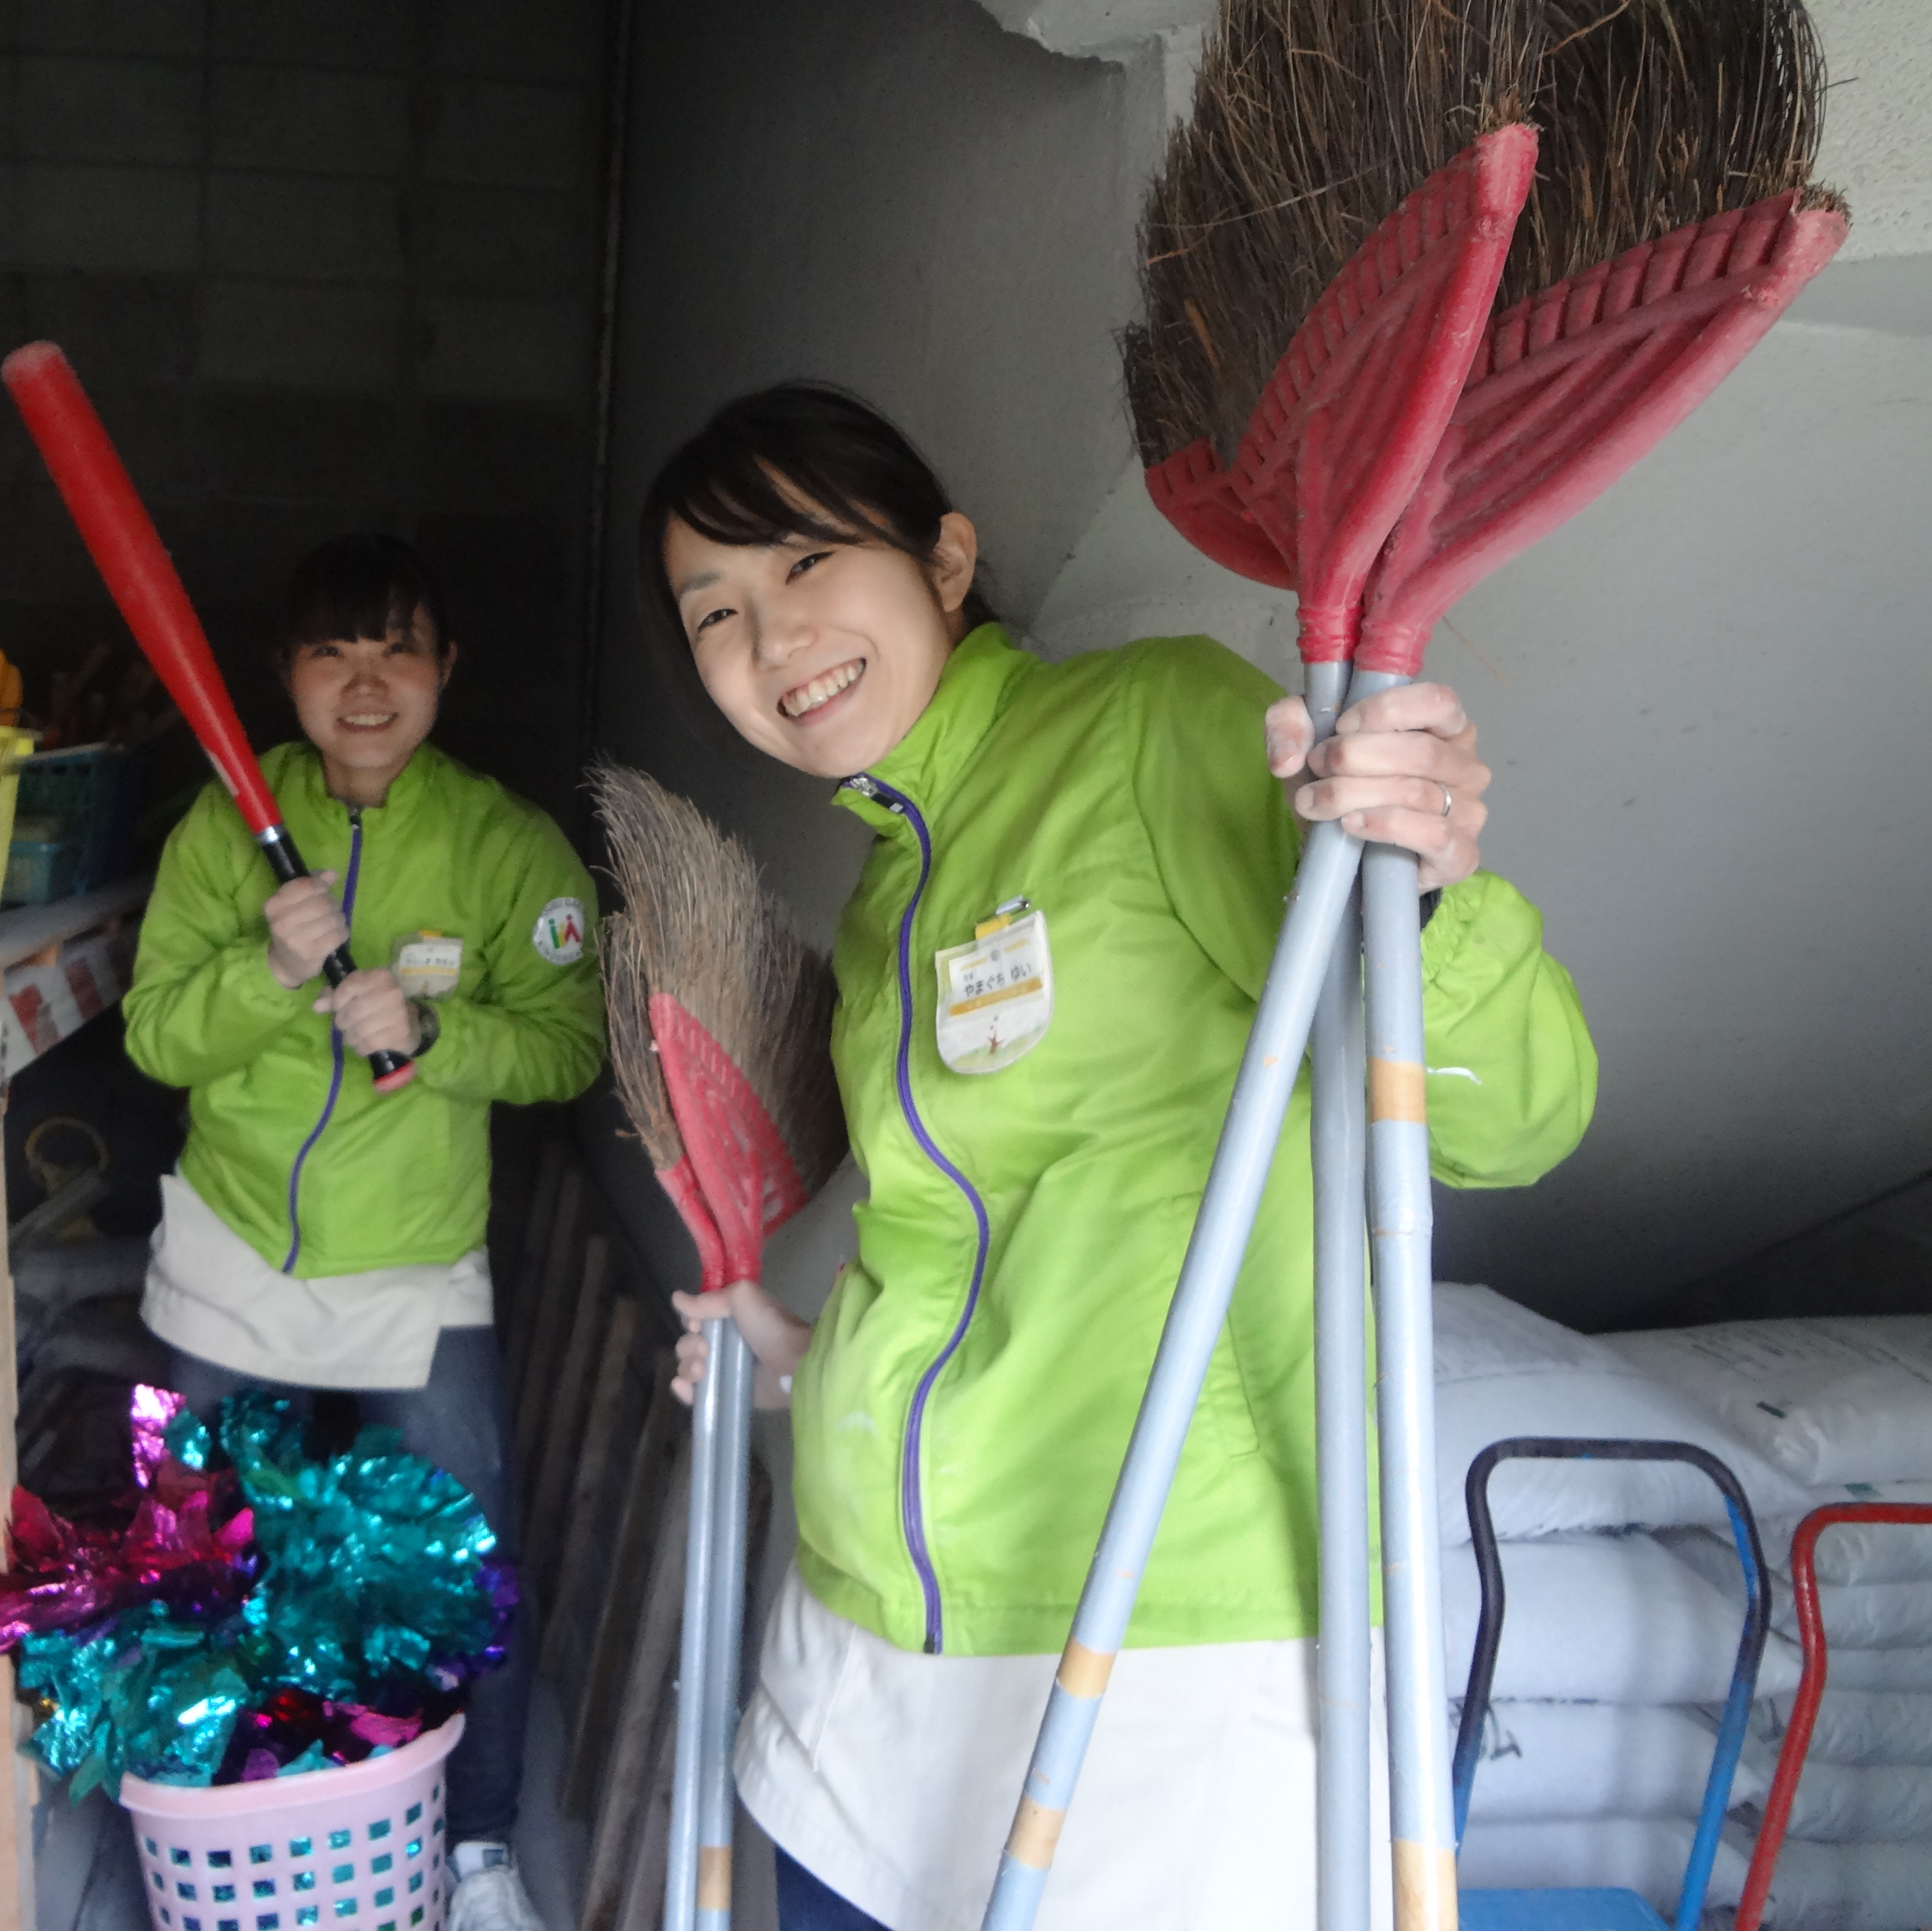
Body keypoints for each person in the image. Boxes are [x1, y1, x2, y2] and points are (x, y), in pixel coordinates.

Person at [642, 386, 1597, 1931]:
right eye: (715, 611)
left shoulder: (1151, 724)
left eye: (808, 559)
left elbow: (1518, 1119)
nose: (774, 635)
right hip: (862, 1639)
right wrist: (805, 1357)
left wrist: (1423, 895)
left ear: (947, 560)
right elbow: (983, 1257)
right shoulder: (883, 899)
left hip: (1158, 1639)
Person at [125, 531, 605, 1931]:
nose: (367, 684)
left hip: (415, 1265)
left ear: (447, 666)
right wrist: (271, 971)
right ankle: (214, 1822)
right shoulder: (221, 826)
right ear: (287, 674)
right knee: (197, 1554)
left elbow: (570, 1047)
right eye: (333, 652)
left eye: (398, 649)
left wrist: (438, 1032)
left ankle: (481, 1847)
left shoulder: (507, 844)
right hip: (228, 1253)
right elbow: (154, 1036)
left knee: (467, 1563)